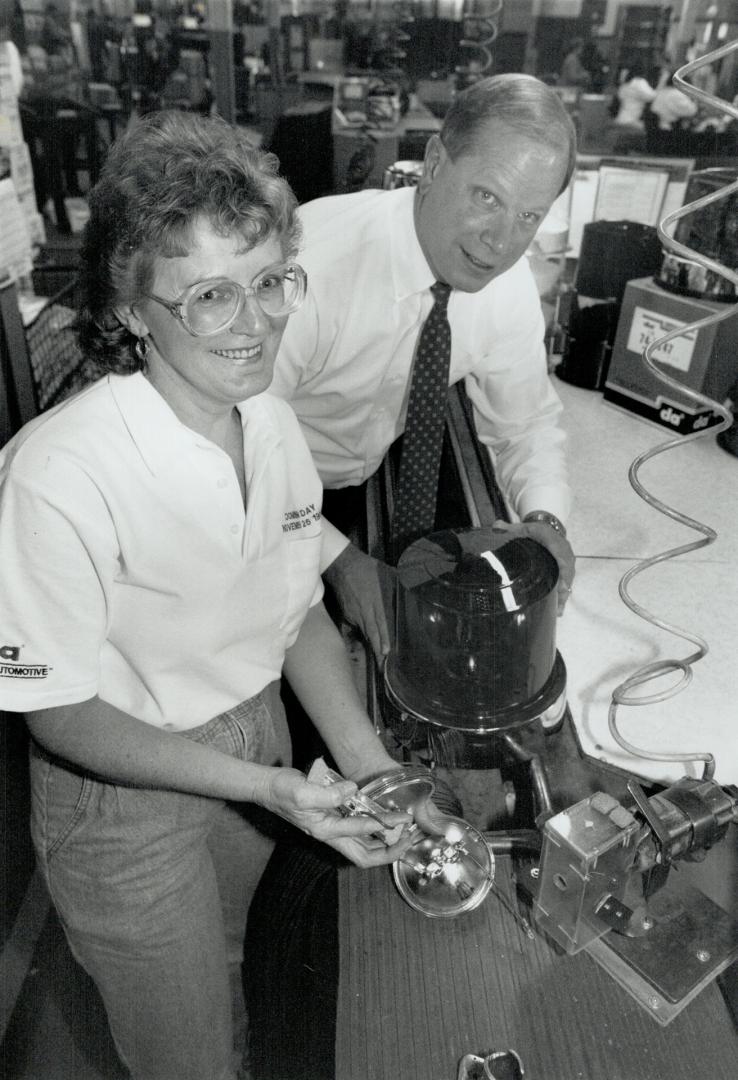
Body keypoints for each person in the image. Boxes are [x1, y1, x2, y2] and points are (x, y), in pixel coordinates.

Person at [0, 110, 411, 1080]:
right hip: (122, 799)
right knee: (182, 1054)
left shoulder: (265, 418)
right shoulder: (57, 474)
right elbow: (56, 711)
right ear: (135, 308)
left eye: (271, 281)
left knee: (243, 972)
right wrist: (271, 789)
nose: (259, 320)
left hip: (255, 736)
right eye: (212, 295)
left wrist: (369, 761)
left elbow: (297, 597)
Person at [271, 73, 577, 661]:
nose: (500, 242)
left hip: (363, 484)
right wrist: (336, 560)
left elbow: (526, 424)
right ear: (434, 163)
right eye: (487, 197)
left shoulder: (505, 285)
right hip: (262, 493)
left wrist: (546, 518)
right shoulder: (314, 263)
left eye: (529, 216)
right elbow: (234, 442)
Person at [614, 60, 657, 128]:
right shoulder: (640, 83)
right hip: (631, 121)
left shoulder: (626, 83)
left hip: (620, 118)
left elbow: (620, 96)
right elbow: (653, 97)